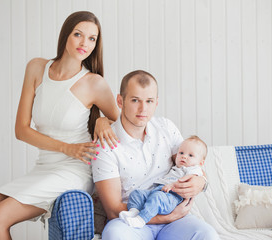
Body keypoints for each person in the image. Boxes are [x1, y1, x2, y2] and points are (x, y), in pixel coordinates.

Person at [0, 11, 119, 240]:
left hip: (74, 170)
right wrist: (65, 147)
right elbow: (21, 130)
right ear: (65, 35)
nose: (85, 43)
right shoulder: (36, 68)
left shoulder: (94, 83)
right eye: (78, 35)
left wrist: (103, 119)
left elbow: (121, 121)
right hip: (44, 166)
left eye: (92, 38)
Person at [92, 70, 219, 239]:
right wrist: (169, 216)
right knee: (115, 235)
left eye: (149, 101)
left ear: (156, 102)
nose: (143, 109)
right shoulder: (105, 145)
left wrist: (201, 182)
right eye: (135, 100)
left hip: (172, 216)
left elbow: (191, 163)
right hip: (131, 220)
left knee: (207, 234)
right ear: (120, 101)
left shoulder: (166, 128)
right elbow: (114, 210)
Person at [119, 135, 208, 228]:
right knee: (137, 193)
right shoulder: (177, 167)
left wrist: (173, 185)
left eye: (190, 155)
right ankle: (134, 212)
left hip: (174, 198)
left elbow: (187, 181)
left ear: (201, 163)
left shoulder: (193, 170)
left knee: (157, 198)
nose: (184, 157)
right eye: (181, 153)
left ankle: (141, 220)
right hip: (159, 191)